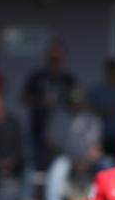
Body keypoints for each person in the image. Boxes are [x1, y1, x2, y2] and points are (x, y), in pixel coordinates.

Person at [43, 89, 104, 200]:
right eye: (73, 102)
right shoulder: (59, 117)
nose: (76, 104)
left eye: (78, 101)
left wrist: (85, 161)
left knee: (107, 163)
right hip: (66, 158)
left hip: (87, 160)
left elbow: (96, 147)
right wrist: (73, 160)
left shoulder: (91, 118)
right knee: (60, 164)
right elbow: (51, 144)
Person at [23, 40, 77, 170]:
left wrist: (66, 103)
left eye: (57, 58)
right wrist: (41, 101)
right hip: (39, 130)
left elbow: (77, 101)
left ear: (62, 58)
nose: (55, 60)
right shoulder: (37, 77)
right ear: (47, 57)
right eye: (52, 57)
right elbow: (24, 98)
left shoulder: (68, 79)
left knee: (60, 167)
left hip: (62, 133)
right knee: (39, 168)